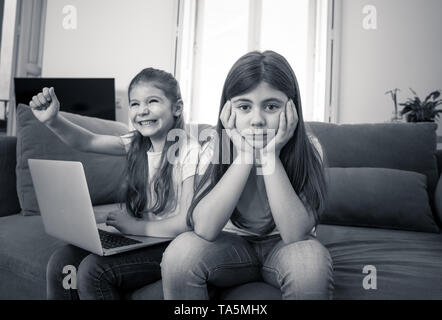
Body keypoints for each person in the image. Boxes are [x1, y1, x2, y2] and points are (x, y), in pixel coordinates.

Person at [161, 51, 334, 300]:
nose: (257, 120)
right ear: (228, 110)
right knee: (180, 255)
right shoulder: (215, 146)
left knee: (309, 264)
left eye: (271, 106)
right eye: (244, 107)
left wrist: (270, 155)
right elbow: (205, 229)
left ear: (292, 108)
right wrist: (244, 155)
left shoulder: (309, 147)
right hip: (230, 246)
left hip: (282, 247)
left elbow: (295, 235)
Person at [29, 68, 200, 299]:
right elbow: (87, 140)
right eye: (135, 104)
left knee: (93, 270)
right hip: (141, 240)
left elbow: (186, 222)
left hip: (170, 245)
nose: (143, 111)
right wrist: (53, 120)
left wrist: (134, 227)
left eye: (153, 101)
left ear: (177, 107)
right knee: (62, 262)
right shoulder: (136, 143)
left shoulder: (190, 151)